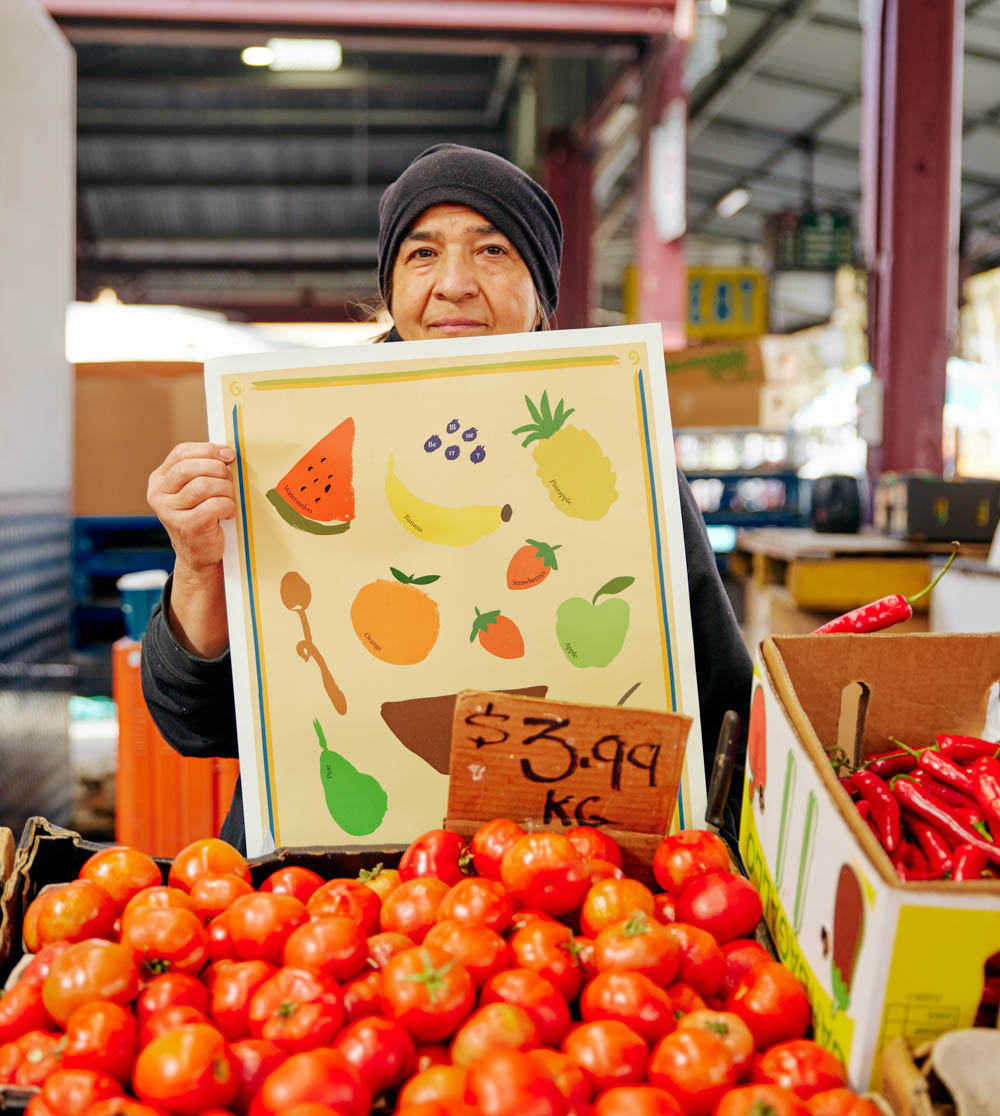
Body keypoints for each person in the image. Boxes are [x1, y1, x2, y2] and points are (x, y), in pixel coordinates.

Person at [142, 143, 752, 851]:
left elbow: (720, 707)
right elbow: (196, 724)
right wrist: (196, 563)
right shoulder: (290, 440)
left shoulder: (618, 447)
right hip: (335, 889)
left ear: (540, 291)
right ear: (393, 285)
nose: (454, 282)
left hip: (555, 872)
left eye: (492, 250)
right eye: (423, 253)